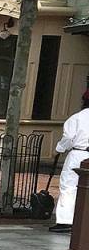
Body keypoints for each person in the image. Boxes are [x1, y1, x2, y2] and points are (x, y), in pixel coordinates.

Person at [52, 90, 89, 234]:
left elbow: (68, 138)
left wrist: (59, 149)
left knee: (69, 186)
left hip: (78, 154)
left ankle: (65, 221)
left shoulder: (77, 118)